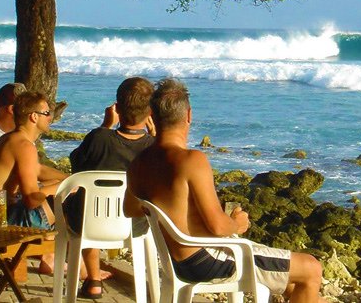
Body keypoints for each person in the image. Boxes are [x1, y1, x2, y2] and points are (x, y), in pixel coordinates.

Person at [125, 79, 325, 303]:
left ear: (151, 116)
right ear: (189, 115)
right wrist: (237, 224)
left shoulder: (138, 163)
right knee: (311, 268)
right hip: (206, 260)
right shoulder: (192, 160)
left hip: (178, 261)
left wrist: (175, 212)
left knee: (291, 281)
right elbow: (219, 227)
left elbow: (131, 209)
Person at [66, 77, 155, 298]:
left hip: (88, 223)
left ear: (116, 107)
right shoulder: (154, 147)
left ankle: (93, 280)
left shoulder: (99, 138)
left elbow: (76, 166)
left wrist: (105, 125)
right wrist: (156, 136)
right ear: (150, 113)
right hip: (135, 225)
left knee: (85, 202)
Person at [0, 90, 68, 273]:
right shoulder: (24, 146)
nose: (51, 118)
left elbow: (37, 170)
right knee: (67, 200)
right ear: (33, 117)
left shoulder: (12, 139)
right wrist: (64, 187)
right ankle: (67, 261)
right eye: (47, 113)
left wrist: (70, 178)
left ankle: (51, 258)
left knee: (58, 188)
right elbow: (31, 199)